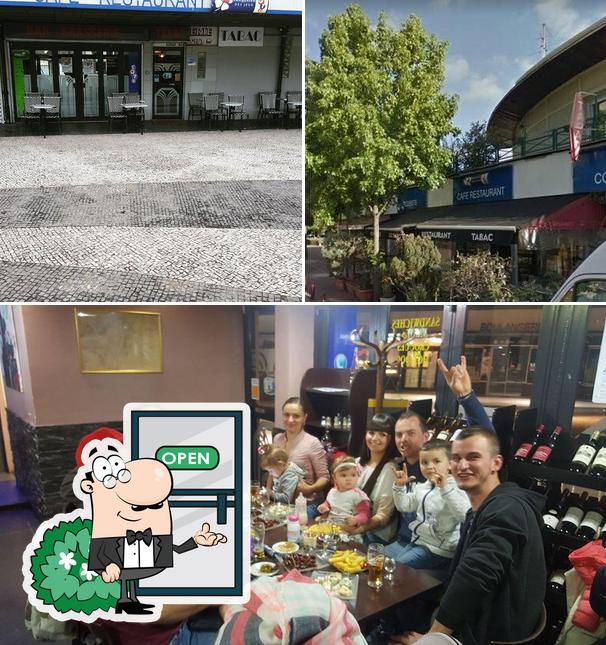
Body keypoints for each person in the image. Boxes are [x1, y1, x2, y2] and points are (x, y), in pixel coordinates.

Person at [392, 428, 546, 645]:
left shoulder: (506, 510)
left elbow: (475, 576)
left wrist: (430, 639)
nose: (462, 466)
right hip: (475, 619)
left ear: (496, 463)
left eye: (473, 457)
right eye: (456, 458)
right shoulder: (481, 509)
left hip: (486, 634)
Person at [390, 356, 494, 552]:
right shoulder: (400, 467)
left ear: (426, 436)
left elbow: (484, 440)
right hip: (407, 541)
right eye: (398, 434)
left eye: (410, 433)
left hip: (435, 550)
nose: (403, 439)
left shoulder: (445, 465)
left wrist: (466, 397)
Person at [387, 440, 470, 581]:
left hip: (439, 550)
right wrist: (399, 487)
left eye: (436, 461)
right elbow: (404, 506)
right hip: (418, 542)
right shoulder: (423, 486)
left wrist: (445, 489)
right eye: (424, 462)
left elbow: (464, 516)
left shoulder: (456, 487)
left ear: (449, 464)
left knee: (396, 568)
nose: (430, 466)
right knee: (392, 565)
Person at [341, 413, 400, 545]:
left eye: (382, 434)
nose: (375, 438)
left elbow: (383, 515)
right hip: (351, 524)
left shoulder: (390, 470)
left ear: (391, 439)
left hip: (374, 534)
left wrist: (358, 529)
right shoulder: (357, 463)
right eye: (371, 432)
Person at [269, 397, 330, 519]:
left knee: (289, 526)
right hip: (280, 500)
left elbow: (325, 477)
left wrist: (309, 488)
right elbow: (272, 468)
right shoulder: (277, 439)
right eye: (286, 415)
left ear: (304, 418)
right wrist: (267, 490)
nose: (290, 420)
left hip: (305, 503)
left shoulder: (312, 443)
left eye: (296, 416)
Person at [316, 455, 370, 534]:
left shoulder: (358, 495)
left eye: (353, 475)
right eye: (343, 475)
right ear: (334, 478)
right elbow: (329, 502)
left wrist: (356, 519)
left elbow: (365, 514)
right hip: (331, 526)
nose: (349, 479)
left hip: (347, 530)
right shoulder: (332, 491)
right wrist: (324, 506)